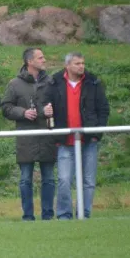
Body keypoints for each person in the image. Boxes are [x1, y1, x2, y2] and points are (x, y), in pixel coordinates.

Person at [44, 52, 109, 220]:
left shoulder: (93, 82)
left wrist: (97, 133)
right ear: (67, 66)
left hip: (88, 141)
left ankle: (84, 214)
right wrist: (45, 111)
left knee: (88, 182)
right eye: (77, 63)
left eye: (83, 63)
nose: (81, 66)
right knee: (64, 180)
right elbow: (44, 104)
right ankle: (64, 215)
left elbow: (103, 109)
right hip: (65, 142)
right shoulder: (54, 82)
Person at [2, 48, 56, 221]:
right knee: (26, 179)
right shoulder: (14, 84)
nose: (44, 60)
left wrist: (53, 109)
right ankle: (28, 216)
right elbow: (6, 108)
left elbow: (60, 104)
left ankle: (48, 215)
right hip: (26, 139)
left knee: (48, 178)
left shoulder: (52, 82)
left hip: (47, 137)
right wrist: (22, 113)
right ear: (29, 61)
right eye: (40, 57)